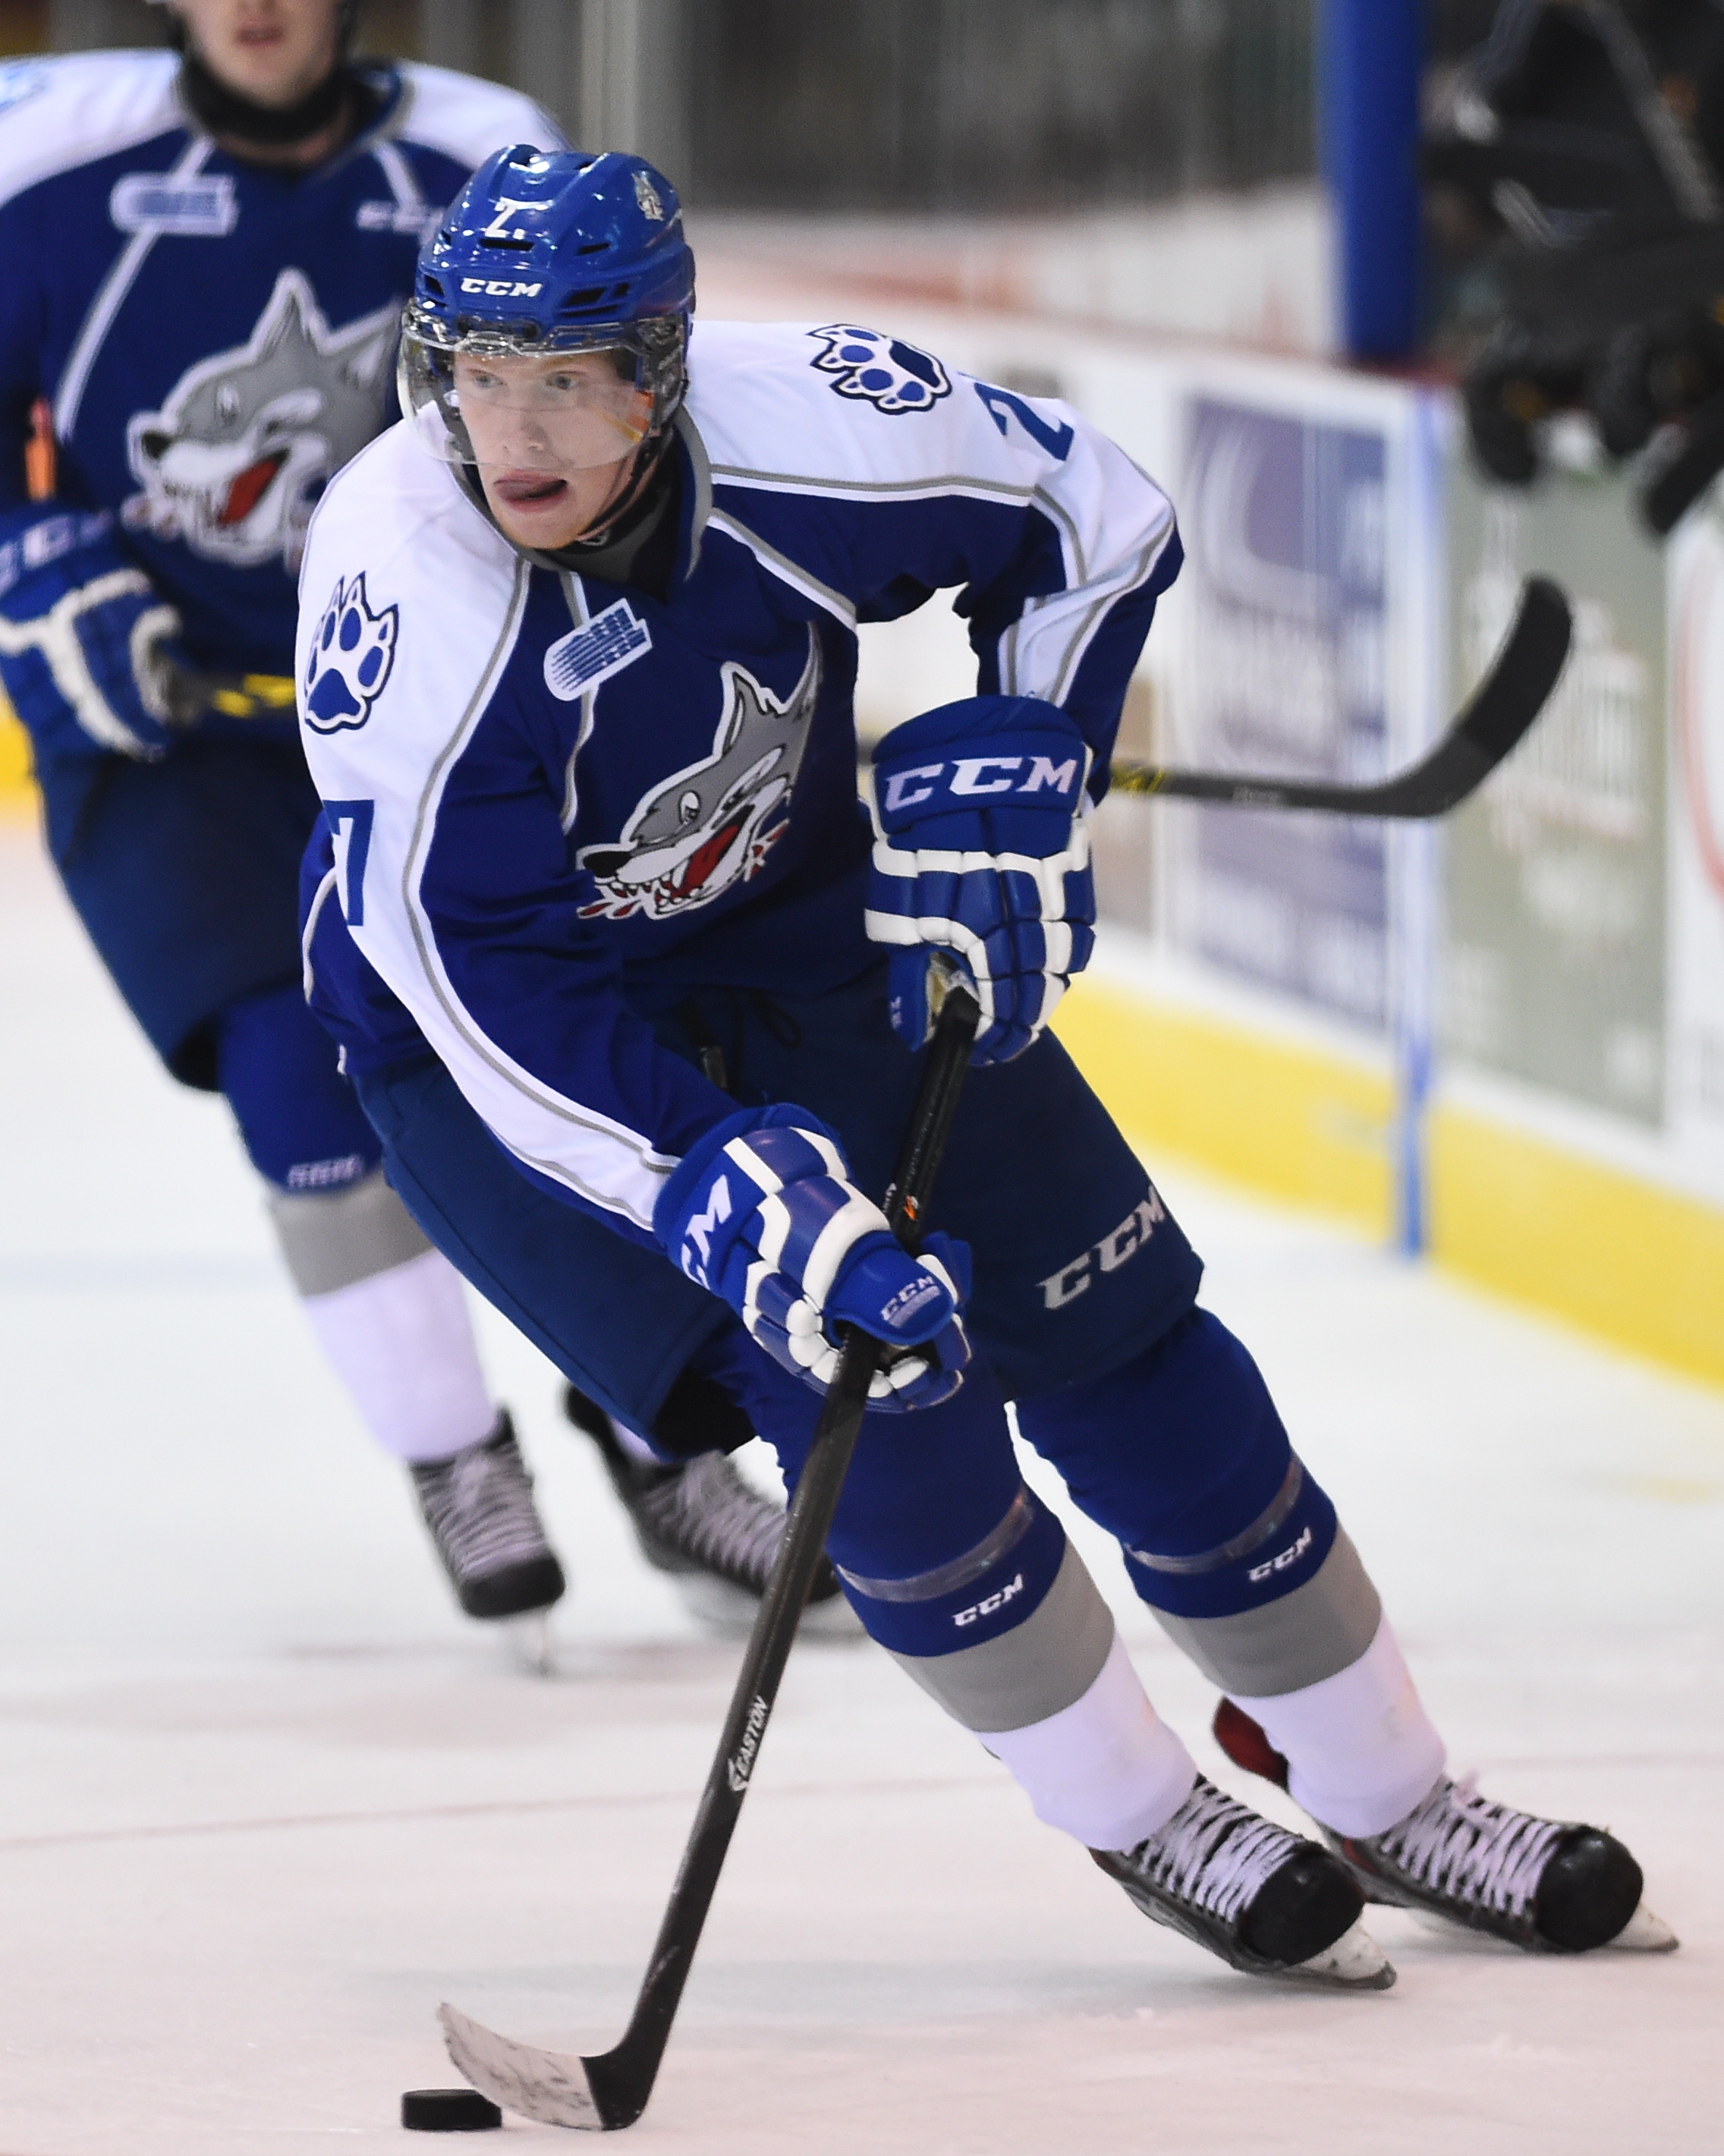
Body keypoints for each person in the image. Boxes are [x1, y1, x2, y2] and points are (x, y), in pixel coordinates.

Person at [294, 143, 1677, 1987]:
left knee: (1132, 1346)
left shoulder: (810, 429)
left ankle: (1391, 1789)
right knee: (885, 1409)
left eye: (566, 379)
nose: (514, 432)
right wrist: (714, 1183)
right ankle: (1141, 1811)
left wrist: (1032, 740)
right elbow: (475, 978)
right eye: (475, 374)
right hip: (509, 1052)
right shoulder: (409, 586)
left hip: (796, 922)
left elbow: (1089, 515)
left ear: (661, 372)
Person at [0, 0, 821, 1643]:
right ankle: (456, 1455)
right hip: (177, 732)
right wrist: (30, 557)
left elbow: (629, 407)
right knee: (292, 1065)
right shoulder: (46, 154)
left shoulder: (480, 157)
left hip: (451, 703)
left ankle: (662, 1444)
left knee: (565, 1054)